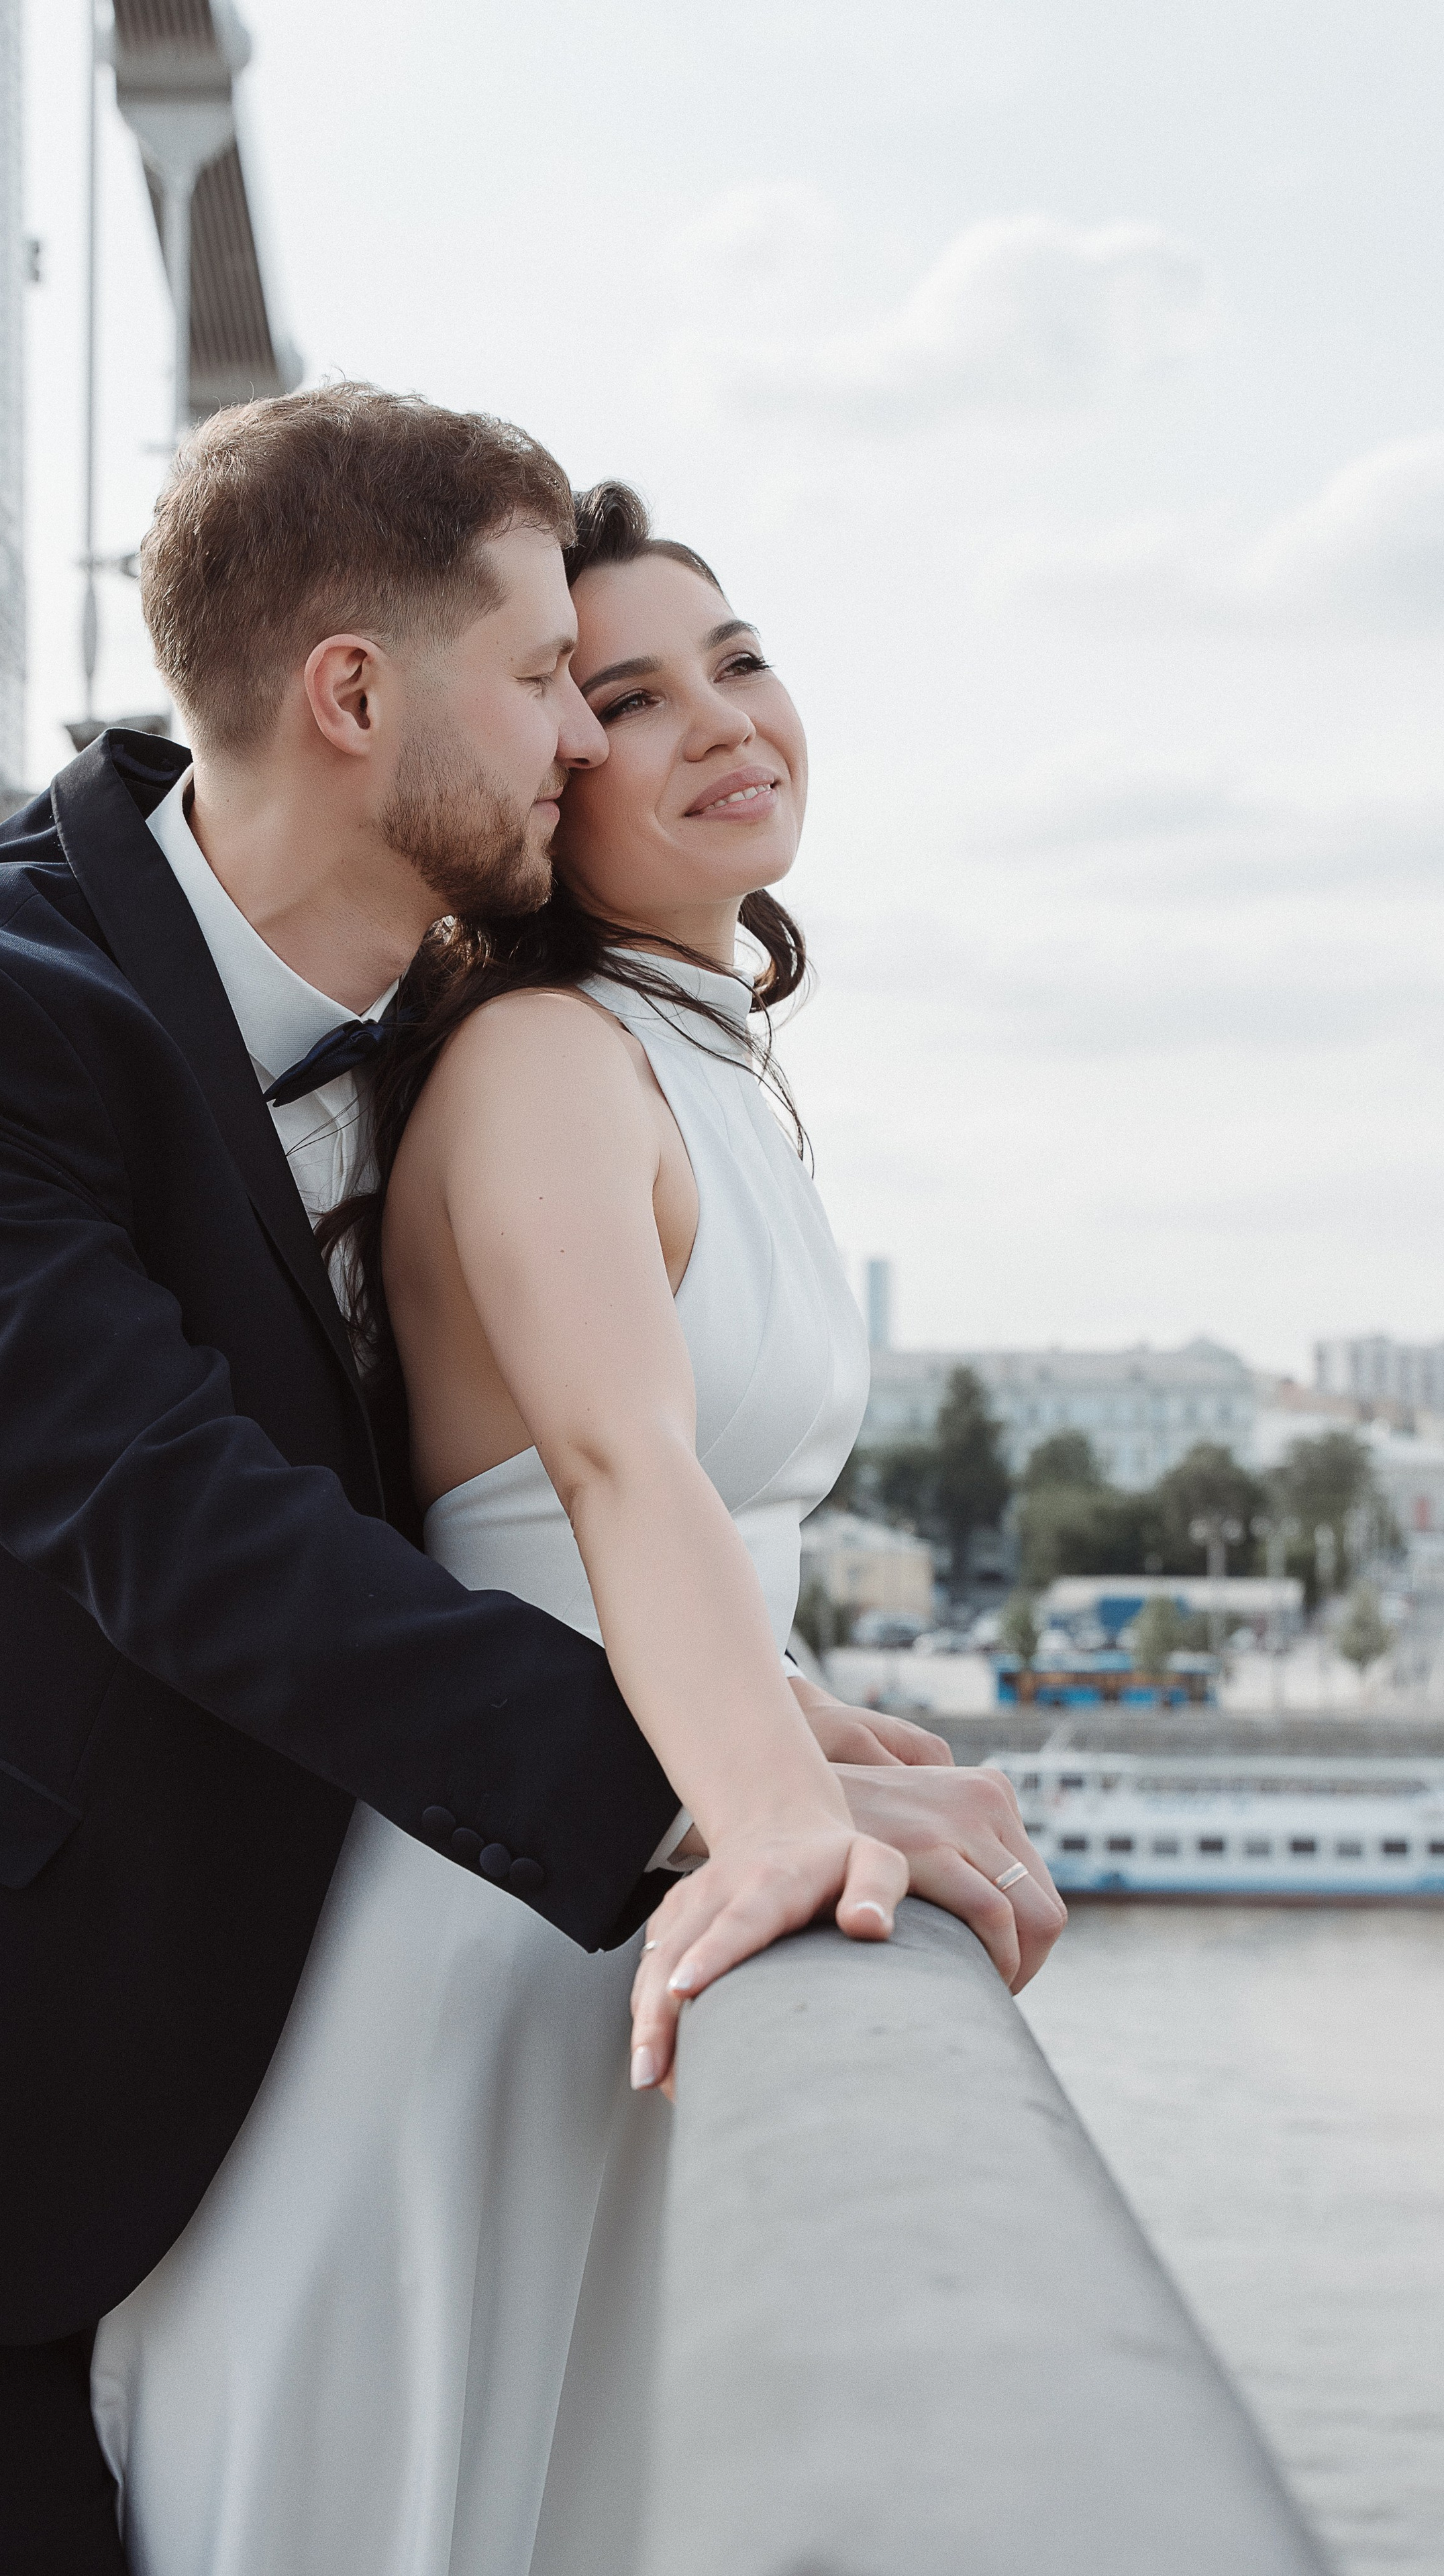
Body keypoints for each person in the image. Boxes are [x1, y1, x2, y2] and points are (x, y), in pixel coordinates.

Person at [0, 388, 1055, 2573]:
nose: (581, 741)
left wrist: (780, 1721)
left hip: (265, 2071)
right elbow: (176, 1524)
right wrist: (694, 1795)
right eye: (549, 680)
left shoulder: (451, 1032)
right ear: (354, 695)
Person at [91, 478, 1064, 2575]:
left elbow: (672, 1508)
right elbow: (613, 1472)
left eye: (740, 658)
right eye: (612, 691)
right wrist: (772, 1807)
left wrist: (802, 1728)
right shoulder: (546, 1055)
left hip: (612, 1882)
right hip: (486, 1922)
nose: (721, 718)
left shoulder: (693, 1055)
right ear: (541, 769)